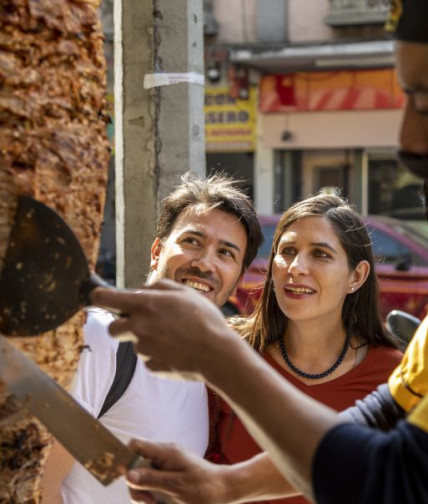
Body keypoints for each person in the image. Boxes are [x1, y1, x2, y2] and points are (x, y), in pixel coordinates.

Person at [40, 172, 263, 504]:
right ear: (157, 251)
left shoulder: (205, 365)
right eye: (192, 242)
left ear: (238, 279)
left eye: (226, 253)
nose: (205, 263)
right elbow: (37, 486)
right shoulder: (104, 339)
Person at [204, 193, 402, 504]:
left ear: (357, 276)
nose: (296, 267)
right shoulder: (227, 352)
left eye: (320, 254)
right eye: (288, 251)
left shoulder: (395, 375)